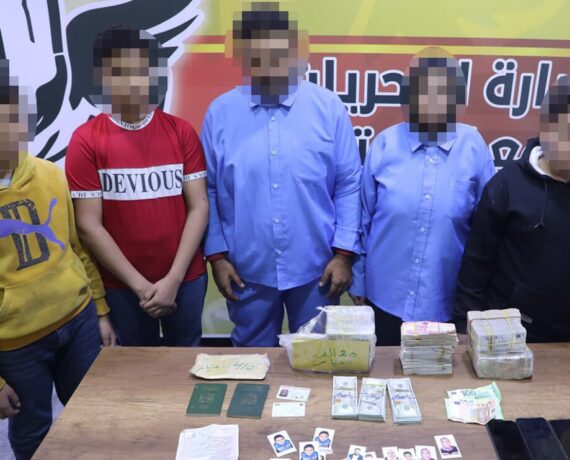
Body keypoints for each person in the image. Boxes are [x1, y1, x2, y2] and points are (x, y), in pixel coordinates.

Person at [202, 2, 361, 346]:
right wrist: (217, 257)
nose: (269, 65)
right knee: (252, 363)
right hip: (246, 270)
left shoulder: (328, 108)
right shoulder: (220, 113)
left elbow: (349, 184)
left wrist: (344, 254)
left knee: (317, 358)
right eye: (258, 56)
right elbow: (210, 190)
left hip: (318, 269)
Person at [455, 74, 570, 342]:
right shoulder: (507, 185)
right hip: (502, 332)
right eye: (569, 134)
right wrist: (463, 326)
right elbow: (476, 264)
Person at [65, 27, 209, 346]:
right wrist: (141, 286)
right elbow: (88, 225)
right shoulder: (85, 141)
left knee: (187, 363)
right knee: (133, 368)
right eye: (119, 73)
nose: (132, 82)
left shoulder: (181, 132)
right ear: (101, 76)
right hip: (122, 288)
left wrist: (173, 280)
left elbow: (199, 207)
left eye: (141, 71)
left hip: (185, 280)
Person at [0, 59, 114, 460]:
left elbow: (76, 248)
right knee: (32, 430)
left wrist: (100, 311)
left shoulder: (50, 173)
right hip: (15, 344)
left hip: (77, 321)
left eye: (13, 120)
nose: (7, 133)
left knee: (93, 416)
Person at [349, 47, 495, 345]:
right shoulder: (385, 145)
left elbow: (486, 231)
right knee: (383, 370)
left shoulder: (474, 148)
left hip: (445, 301)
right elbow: (363, 218)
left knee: (438, 373)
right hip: (384, 298)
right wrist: (359, 279)